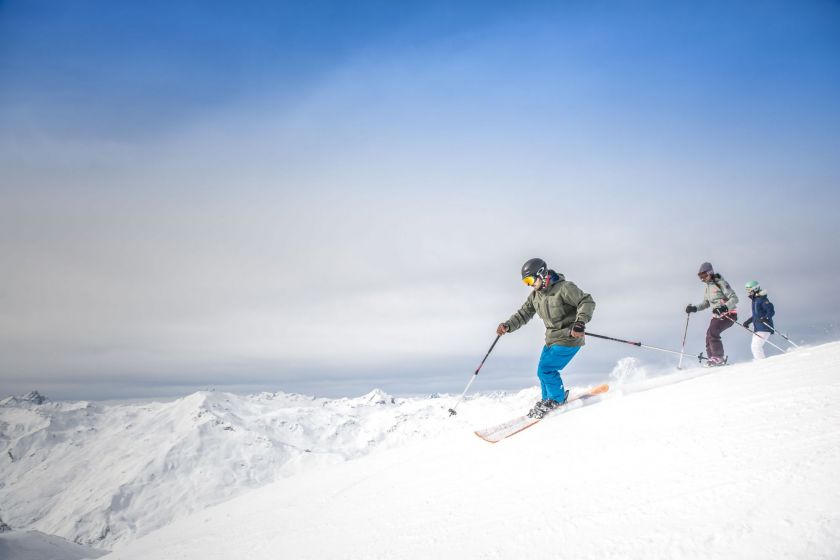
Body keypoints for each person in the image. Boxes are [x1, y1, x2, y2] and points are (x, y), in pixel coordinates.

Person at [496, 258, 595, 418]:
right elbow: (524, 313)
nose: (529, 285)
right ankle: (547, 400)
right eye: (525, 282)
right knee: (542, 371)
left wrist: (580, 322)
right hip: (552, 339)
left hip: (569, 337)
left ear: (542, 274)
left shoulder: (564, 288)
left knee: (546, 369)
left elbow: (586, 301)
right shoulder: (536, 296)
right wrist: (508, 325)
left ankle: (556, 400)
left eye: (530, 280)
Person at [685, 262, 739, 366]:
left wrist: (724, 307)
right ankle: (712, 358)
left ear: (710, 273)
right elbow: (706, 303)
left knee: (713, 332)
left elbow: (734, 298)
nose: (702, 279)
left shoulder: (721, 283)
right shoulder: (708, 287)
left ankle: (718, 357)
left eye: (704, 275)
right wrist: (694, 308)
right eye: (700, 276)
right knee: (708, 335)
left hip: (728, 314)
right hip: (717, 316)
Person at [743, 280, 776, 359]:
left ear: (755, 289)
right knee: (754, 347)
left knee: (756, 347)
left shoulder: (762, 299)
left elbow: (771, 311)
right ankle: (760, 361)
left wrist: (766, 318)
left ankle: (761, 363)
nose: (748, 292)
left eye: (749, 290)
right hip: (758, 328)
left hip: (765, 327)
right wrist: (748, 322)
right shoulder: (755, 300)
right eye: (747, 290)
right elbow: (756, 315)